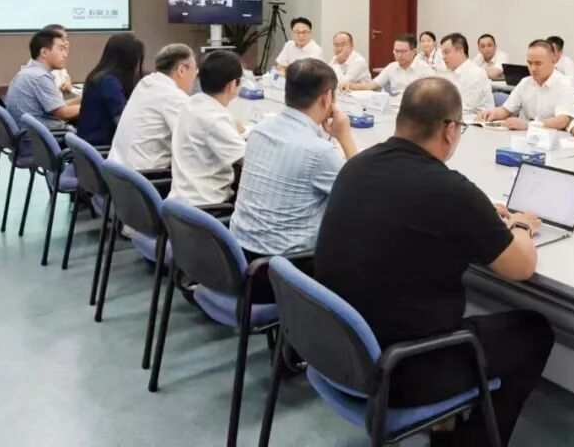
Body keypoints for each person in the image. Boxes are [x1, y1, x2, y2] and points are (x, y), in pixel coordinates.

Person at [314, 77, 553, 447]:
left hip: (337, 351)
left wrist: (479, 216)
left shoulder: (356, 166)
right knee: (534, 331)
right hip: (403, 369)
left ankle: (449, 427)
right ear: (450, 130)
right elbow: (521, 267)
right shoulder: (452, 191)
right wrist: (521, 225)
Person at [231, 59, 356, 298]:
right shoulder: (320, 152)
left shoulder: (260, 130)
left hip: (238, 258)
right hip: (284, 273)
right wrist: (345, 138)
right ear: (327, 99)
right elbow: (364, 193)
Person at [168, 50, 247, 207]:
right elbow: (250, 160)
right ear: (232, 85)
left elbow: (232, 128)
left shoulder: (193, 103)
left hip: (182, 201)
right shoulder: (214, 119)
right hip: (207, 207)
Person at [108, 43, 197, 171]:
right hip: (143, 177)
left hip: (117, 172)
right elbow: (195, 141)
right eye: (195, 71)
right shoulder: (172, 96)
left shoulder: (146, 83)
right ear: (182, 70)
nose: (195, 78)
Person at [477, 40, 574, 131]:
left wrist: (529, 125)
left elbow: (563, 121)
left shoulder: (564, 84)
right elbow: (506, 110)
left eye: (538, 64)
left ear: (553, 60)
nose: (533, 69)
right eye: (530, 63)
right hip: (523, 136)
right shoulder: (525, 82)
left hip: (551, 139)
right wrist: (493, 113)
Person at [75, 33, 145, 146]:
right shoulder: (109, 83)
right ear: (130, 61)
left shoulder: (97, 76)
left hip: (88, 147)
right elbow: (124, 125)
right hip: (101, 148)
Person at [6, 27, 81, 130]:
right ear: (44, 52)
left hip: (31, 133)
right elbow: (63, 113)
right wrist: (94, 106)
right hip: (47, 136)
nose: (65, 55)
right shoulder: (40, 77)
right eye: (61, 49)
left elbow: (57, 106)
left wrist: (81, 100)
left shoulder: (30, 72)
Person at [342, 33, 434, 99]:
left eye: (403, 51)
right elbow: (372, 85)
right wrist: (350, 85)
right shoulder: (392, 67)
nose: (399, 55)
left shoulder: (424, 69)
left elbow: (434, 94)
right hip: (395, 106)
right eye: (396, 51)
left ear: (413, 51)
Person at [439, 32, 494, 118]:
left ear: (460, 51)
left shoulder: (475, 74)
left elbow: (465, 108)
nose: (443, 57)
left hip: (476, 121)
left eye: (446, 52)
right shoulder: (451, 72)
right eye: (442, 53)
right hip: (458, 118)